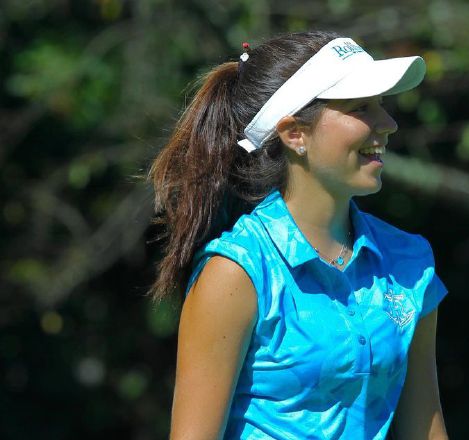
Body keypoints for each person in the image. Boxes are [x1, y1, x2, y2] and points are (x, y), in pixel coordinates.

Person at [149, 30, 449, 439]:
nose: (388, 123)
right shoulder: (238, 273)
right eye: (361, 107)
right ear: (294, 134)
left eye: (381, 105)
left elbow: (425, 429)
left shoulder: (409, 263)